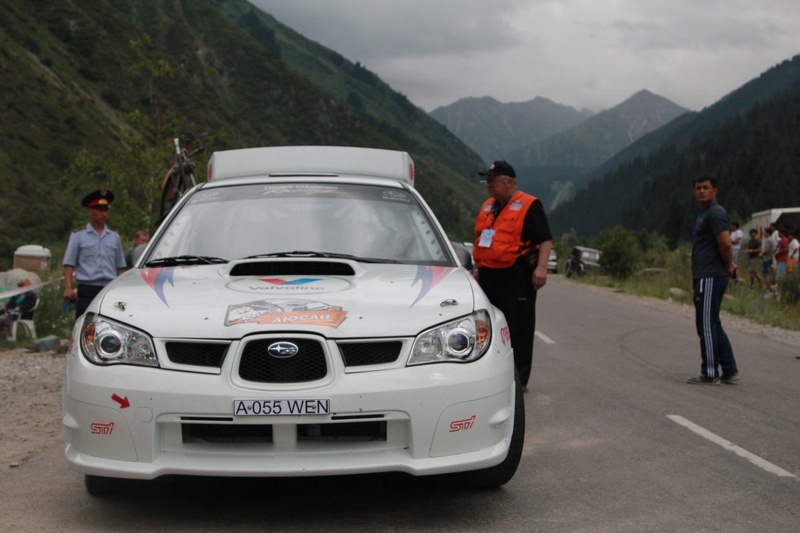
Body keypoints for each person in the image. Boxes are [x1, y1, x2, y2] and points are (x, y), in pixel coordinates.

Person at [473, 160, 553, 392]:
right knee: (487, 326)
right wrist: (478, 268)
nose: (488, 186)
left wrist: (541, 267)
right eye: (486, 181)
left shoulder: (529, 205)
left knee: (519, 327)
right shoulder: (488, 206)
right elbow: (482, 240)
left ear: (509, 183)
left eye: (493, 181)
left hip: (516, 276)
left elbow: (545, 238)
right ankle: (489, 373)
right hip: (488, 276)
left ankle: (519, 380)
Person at [687, 175, 739, 385]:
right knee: (713, 322)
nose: (701, 191)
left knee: (706, 324)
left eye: (706, 188)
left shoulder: (715, 213)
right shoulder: (704, 214)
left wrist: (728, 266)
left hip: (710, 276)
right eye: (698, 188)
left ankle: (709, 372)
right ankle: (729, 369)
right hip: (705, 275)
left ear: (715, 190)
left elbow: (725, 244)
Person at [62, 190, 126, 319]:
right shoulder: (78, 236)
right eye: (99, 209)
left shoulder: (114, 236)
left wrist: (122, 289)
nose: (103, 213)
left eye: (106, 210)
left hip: (109, 288)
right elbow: (69, 264)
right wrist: (68, 288)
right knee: (86, 322)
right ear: (90, 211)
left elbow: (120, 267)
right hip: (87, 288)